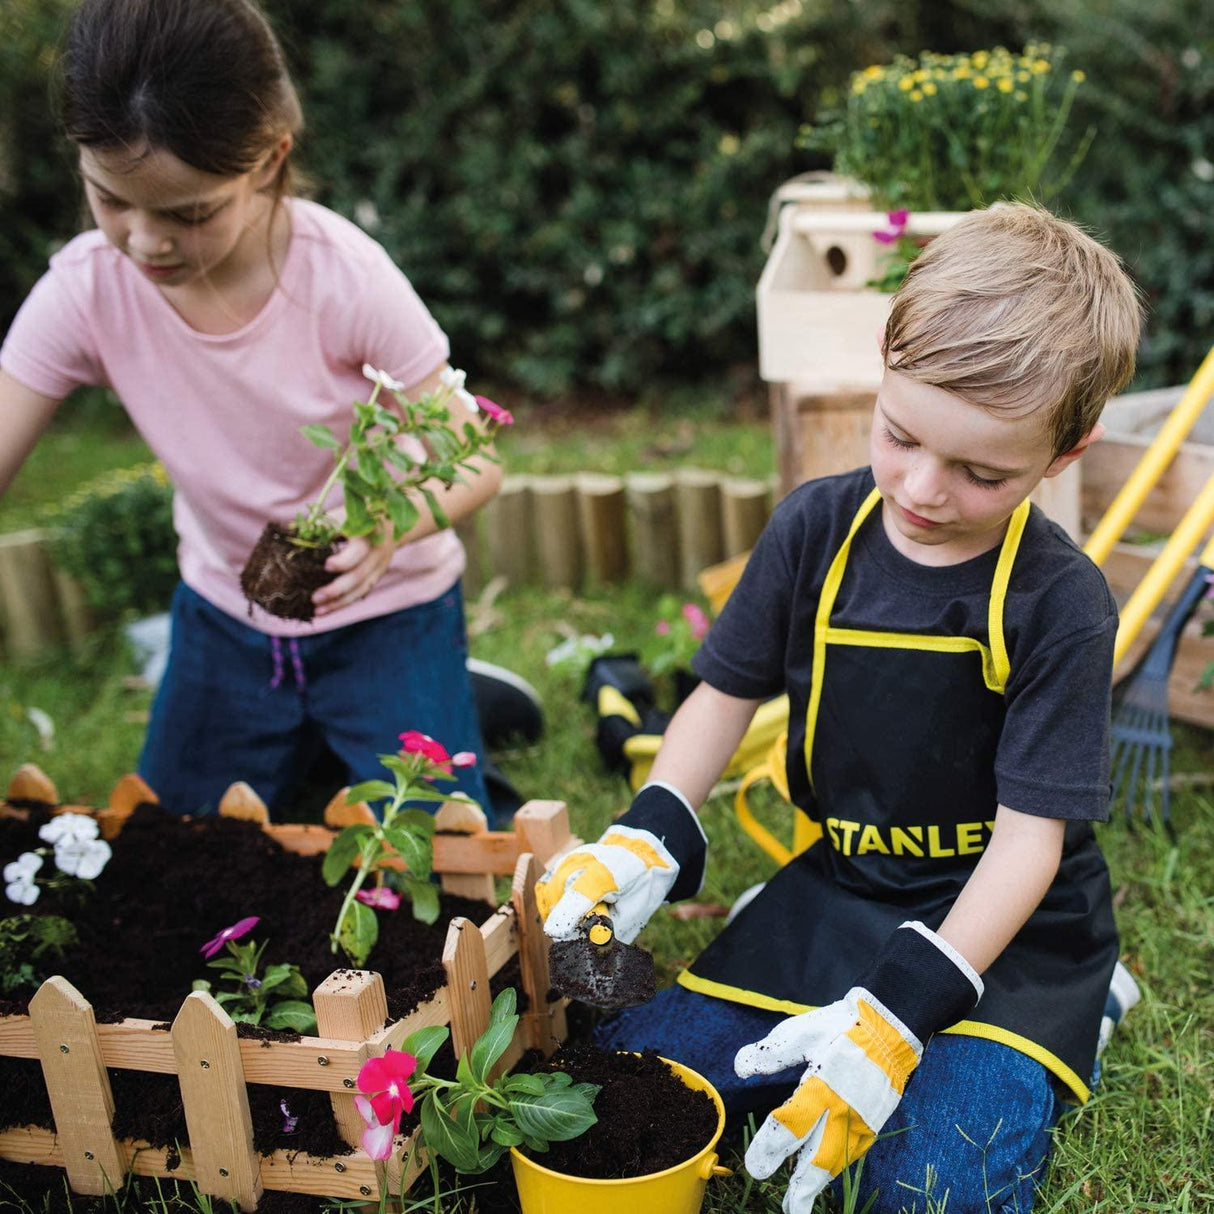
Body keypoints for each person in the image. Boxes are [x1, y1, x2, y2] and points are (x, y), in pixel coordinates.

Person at [537, 203, 1142, 1212]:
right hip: (842, 891)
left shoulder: (1059, 600)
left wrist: (902, 1010)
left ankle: (1085, 1006)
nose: (920, 485)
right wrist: (647, 831)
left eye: (980, 471)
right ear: (882, 368)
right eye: (897, 434)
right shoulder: (814, 529)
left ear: (1063, 453)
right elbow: (718, 697)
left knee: (928, 1185)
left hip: (1006, 934)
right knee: (626, 1078)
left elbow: (1030, 844)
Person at [0, 0, 499, 820]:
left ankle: (429, 711)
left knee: (436, 842)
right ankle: (311, 752)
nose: (144, 241)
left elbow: (478, 456)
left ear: (270, 159)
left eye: (188, 213)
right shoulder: (86, 290)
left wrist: (390, 527)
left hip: (388, 617)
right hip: (224, 628)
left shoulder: (344, 279)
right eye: (110, 198)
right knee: (175, 847)